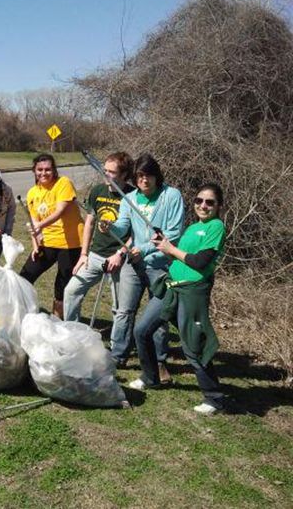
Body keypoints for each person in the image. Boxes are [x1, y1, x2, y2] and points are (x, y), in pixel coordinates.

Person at [136, 183, 227, 414]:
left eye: (209, 202)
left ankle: (214, 399)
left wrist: (170, 249)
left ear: (218, 206)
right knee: (142, 330)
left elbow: (200, 262)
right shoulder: (193, 227)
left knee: (194, 346)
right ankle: (150, 377)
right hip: (170, 288)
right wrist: (164, 243)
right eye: (199, 201)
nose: (203, 205)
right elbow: (180, 254)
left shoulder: (216, 227)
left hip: (192, 291)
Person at [99, 153, 185, 380]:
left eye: (148, 176)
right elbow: (123, 227)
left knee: (157, 318)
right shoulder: (131, 199)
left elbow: (173, 234)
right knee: (124, 311)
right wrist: (110, 228)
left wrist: (145, 249)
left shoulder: (171, 196)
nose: (144, 180)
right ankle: (118, 356)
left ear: (156, 176)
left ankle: (159, 361)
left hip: (161, 265)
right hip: (133, 263)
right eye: (139, 176)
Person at [63, 151, 134, 338]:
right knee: (71, 291)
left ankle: (117, 348)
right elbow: (89, 222)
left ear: (124, 175)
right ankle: (72, 334)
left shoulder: (133, 196)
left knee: (118, 306)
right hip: (94, 255)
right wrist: (84, 254)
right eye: (104, 170)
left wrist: (120, 253)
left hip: (119, 260)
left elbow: (137, 233)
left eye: (111, 172)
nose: (106, 175)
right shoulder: (97, 191)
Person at [19, 154, 84, 319]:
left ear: (54, 170)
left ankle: (57, 321)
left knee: (61, 286)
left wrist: (40, 225)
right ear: (34, 171)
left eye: (47, 169)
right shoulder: (33, 192)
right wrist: (35, 245)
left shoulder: (63, 183)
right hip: (47, 242)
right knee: (24, 277)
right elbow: (34, 223)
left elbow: (60, 211)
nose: (43, 173)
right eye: (39, 170)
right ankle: (21, 313)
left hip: (70, 243)